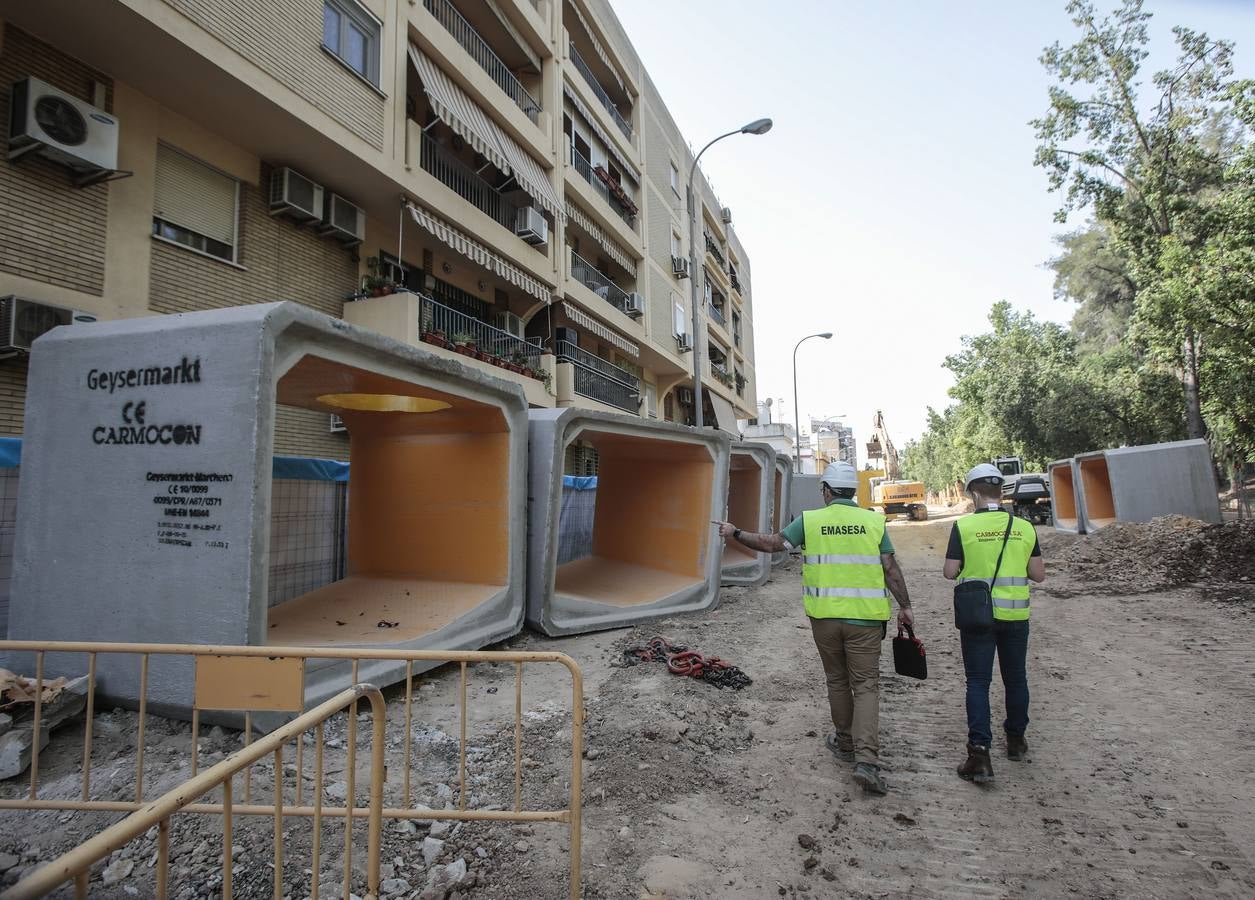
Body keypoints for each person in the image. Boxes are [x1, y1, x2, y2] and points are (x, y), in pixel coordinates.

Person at [715, 461, 914, 796]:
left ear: (825, 490)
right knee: (865, 686)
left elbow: (771, 544)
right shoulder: (874, 521)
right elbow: (890, 568)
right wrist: (906, 606)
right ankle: (866, 761)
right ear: (853, 491)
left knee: (837, 680)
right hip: (865, 620)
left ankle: (845, 741)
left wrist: (735, 533)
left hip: (824, 619)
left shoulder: (811, 521)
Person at [943, 463, 1046, 784]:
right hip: (1015, 617)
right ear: (1001, 492)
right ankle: (1015, 741)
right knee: (1016, 679)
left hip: (979, 618)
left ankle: (980, 754)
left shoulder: (964, 528)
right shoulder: (1025, 527)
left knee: (978, 682)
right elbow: (1038, 574)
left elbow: (950, 571)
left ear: (973, 493)